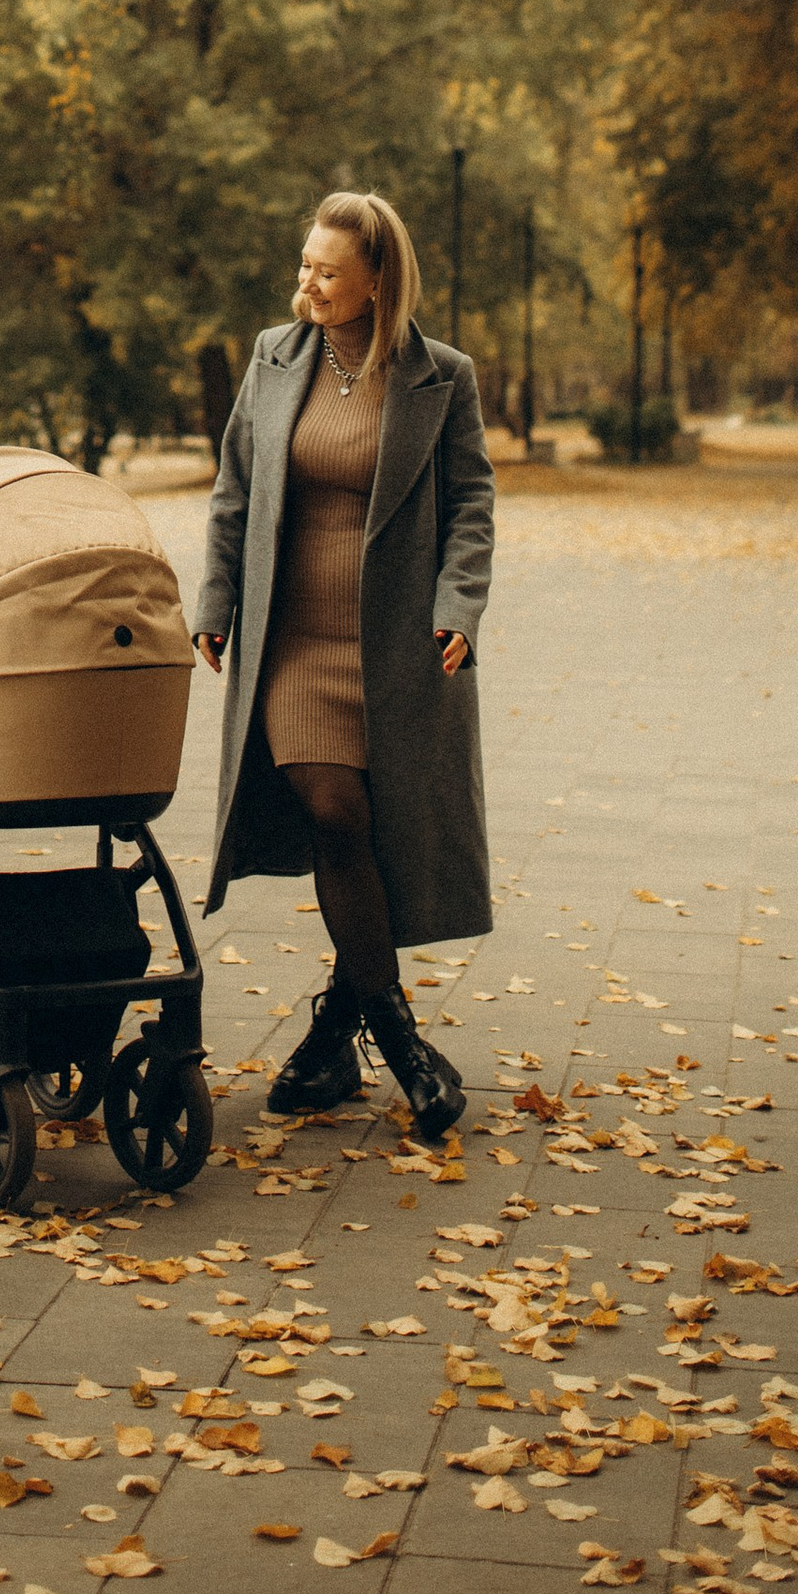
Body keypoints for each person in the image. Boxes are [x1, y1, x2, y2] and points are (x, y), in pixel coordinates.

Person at [195, 187, 492, 1137]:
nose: (308, 284)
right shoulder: (274, 359)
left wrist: (459, 607)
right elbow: (234, 487)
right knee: (333, 810)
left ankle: (333, 1033)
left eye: (328, 271)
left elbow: (472, 502)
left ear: (376, 280)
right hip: (292, 640)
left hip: (398, 647)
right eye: (305, 266)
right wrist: (214, 602)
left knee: (373, 834)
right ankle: (404, 1042)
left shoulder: (441, 376)